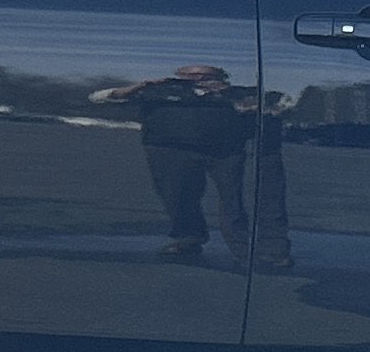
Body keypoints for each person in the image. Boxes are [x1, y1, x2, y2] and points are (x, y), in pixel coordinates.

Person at [94, 63, 264, 262]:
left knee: (231, 199)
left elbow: (275, 106)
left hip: (224, 151)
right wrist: (141, 85)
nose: (197, 79)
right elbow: (100, 98)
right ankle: (189, 237)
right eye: (189, 75)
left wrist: (231, 96)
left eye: (204, 76)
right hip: (168, 148)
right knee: (176, 195)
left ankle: (243, 247)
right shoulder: (157, 90)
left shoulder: (235, 93)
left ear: (221, 77)